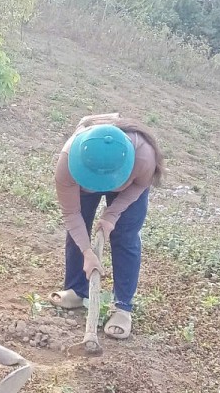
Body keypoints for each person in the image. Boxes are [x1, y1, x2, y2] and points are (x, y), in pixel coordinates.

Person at [51, 113, 164, 339]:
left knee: (125, 235)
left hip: (127, 181)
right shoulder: (68, 162)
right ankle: (76, 290)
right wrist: (87, 252)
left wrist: (111, 216)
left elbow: (138, 187)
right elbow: (72, 214)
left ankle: (122, 307)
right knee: (78, 229)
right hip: (83, 176)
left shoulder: (143, 157)